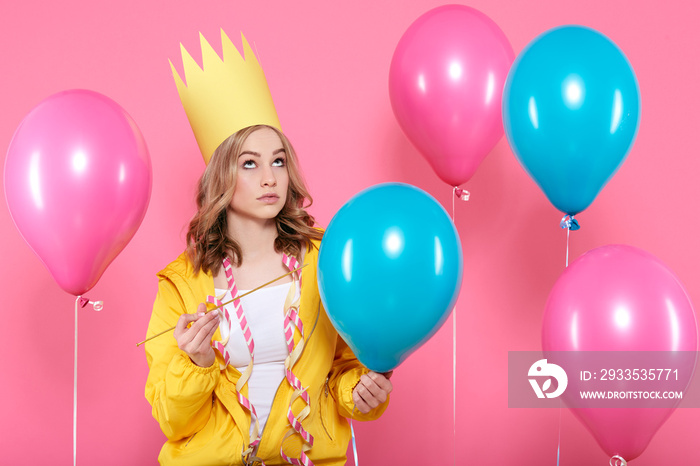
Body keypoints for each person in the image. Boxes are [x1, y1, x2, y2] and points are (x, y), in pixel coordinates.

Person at [144, 31, 392, 466]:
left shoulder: (325, 261)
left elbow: (344, 371)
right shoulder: (181, 285)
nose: (269, 178)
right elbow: (172, 421)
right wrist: (197, 363)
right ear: (221, 177)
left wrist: (362, 391)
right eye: (249, 163)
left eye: (278, 160)